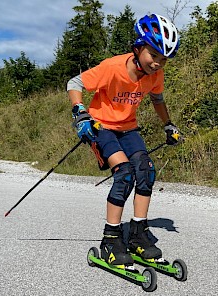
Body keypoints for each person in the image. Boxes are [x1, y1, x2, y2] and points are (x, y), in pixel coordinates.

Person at [67, 14, 181, 267]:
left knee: (146, 171)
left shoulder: (155, 75)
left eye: (164, 59)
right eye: (154, 55)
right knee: (125, 173)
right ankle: (111, 238)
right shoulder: (112, 67)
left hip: (128, 128)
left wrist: (168, 125)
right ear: (138, 48)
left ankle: (138, 235)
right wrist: (80, 111)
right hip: (101, 126)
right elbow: (74, 83)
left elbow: (157, 100)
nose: (157, 63)